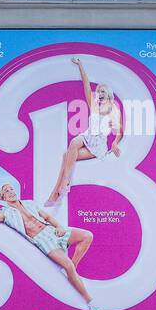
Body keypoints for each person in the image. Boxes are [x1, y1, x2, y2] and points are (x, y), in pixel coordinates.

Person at [0, 184, 100, 310]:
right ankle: (90, 301)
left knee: (87, 236)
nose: (11, 192)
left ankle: (73, 271)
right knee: (68, 266)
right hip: (42, 240)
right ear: (3, 197)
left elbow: (47, 217)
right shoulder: (5, 213)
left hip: (52, 230)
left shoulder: (29, 203)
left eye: (11, 189)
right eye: (6, 191)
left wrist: (59, 227)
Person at [46, 56, 124, 207]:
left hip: (99, 144)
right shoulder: (94, 105)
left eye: (102, 91)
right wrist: (80, 65)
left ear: (108, 94)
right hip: (86, 136)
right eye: (98, 91)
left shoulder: (113, 109)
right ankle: (65, 184)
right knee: (73, 142)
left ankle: (54, 196)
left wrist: (115, 143)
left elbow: (120, 129)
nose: (99, 93)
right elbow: (86, 84)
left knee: (66, 155)